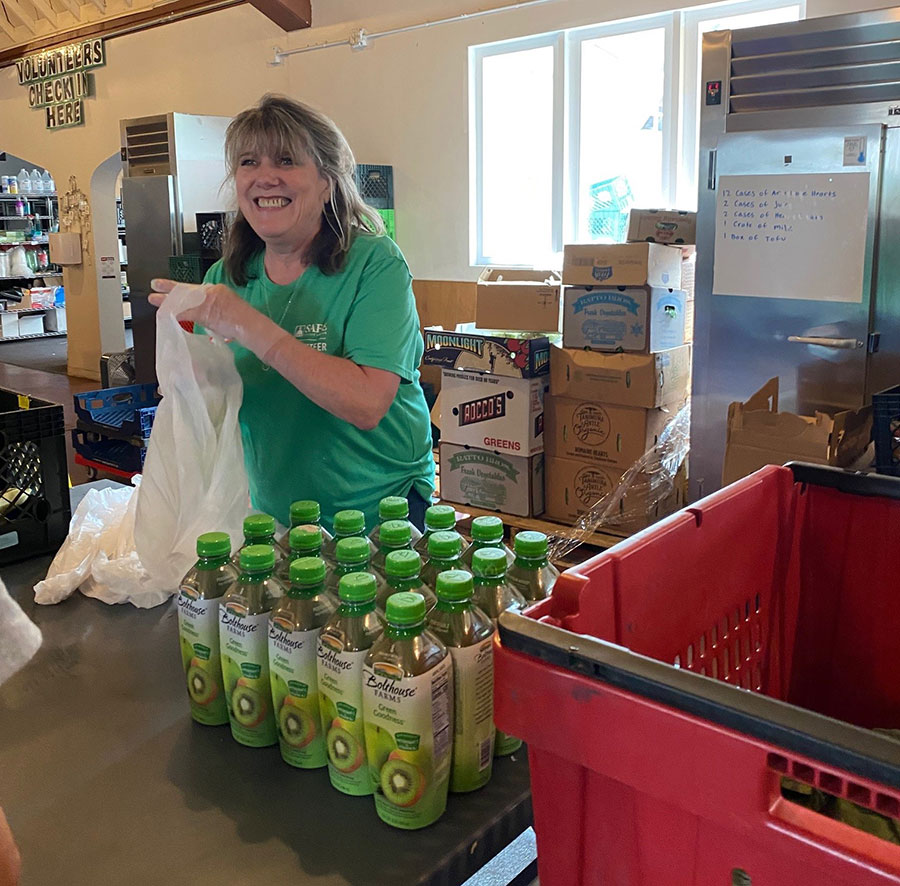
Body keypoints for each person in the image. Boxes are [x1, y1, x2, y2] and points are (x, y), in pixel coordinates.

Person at [150, 95, 435, 532]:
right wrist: (184, 362)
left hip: (383, 512)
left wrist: (247, 324)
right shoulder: (224, 277)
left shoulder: (375, 265)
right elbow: (212, 397)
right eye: (248, 163)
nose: (265, 178)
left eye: (285, 161)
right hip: (274, 513)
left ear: (326, 181)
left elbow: (366, 404)